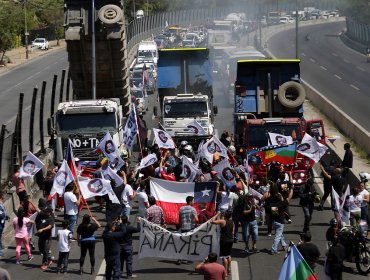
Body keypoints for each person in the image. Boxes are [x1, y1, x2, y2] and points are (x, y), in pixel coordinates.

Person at [211, 211, 234, 276]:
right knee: (229, 255)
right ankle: (229, 269)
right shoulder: (232, 222)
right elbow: (232, 232)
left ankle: (225, 271)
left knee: (224, 256)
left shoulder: (223, 221)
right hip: (231, 239)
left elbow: (212, 221)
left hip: (224, 240)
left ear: (225, 216)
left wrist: (217, 214)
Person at [268, 184, 288, 255]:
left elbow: (274, 214)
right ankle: (273, 249)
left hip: (274, 221)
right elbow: (286, 199)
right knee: (278, 236)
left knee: (280, 234)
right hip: (280, 222)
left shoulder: (272, 205)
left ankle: (284, 245)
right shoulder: (281, 204)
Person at [0, 191, 9, 257]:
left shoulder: (1, 203)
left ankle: (1, 247)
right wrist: (6, 217)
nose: (5, 197)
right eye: (4, 195)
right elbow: (1, 215)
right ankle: (0, 251)